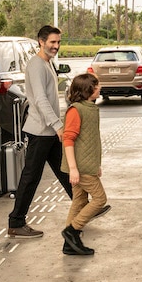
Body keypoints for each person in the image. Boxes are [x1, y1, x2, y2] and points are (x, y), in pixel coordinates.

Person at [8, 25, 75, 238]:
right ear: (41, 41)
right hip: (41, 131)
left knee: (64, 170)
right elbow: (39, 99)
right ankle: (16, 222)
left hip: (49, 130)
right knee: (31, 177)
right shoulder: (36, 65)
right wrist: (58, 126)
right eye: (52, 42)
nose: (56, 46)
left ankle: (83, 207)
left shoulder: (47, 63)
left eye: (58, 42)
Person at [60, 73, 108, 256]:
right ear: (87, 89)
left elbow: (90, 141)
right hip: (80, 167)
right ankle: (72, 230)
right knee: (100, 199)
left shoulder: (89, 108)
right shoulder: (76, 110)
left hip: (87, 165)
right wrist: (73, 169)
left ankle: (69, 244)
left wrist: (96, 164)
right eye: (96, 86)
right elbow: (68, 139)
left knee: (79, 201)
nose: (99, 88)